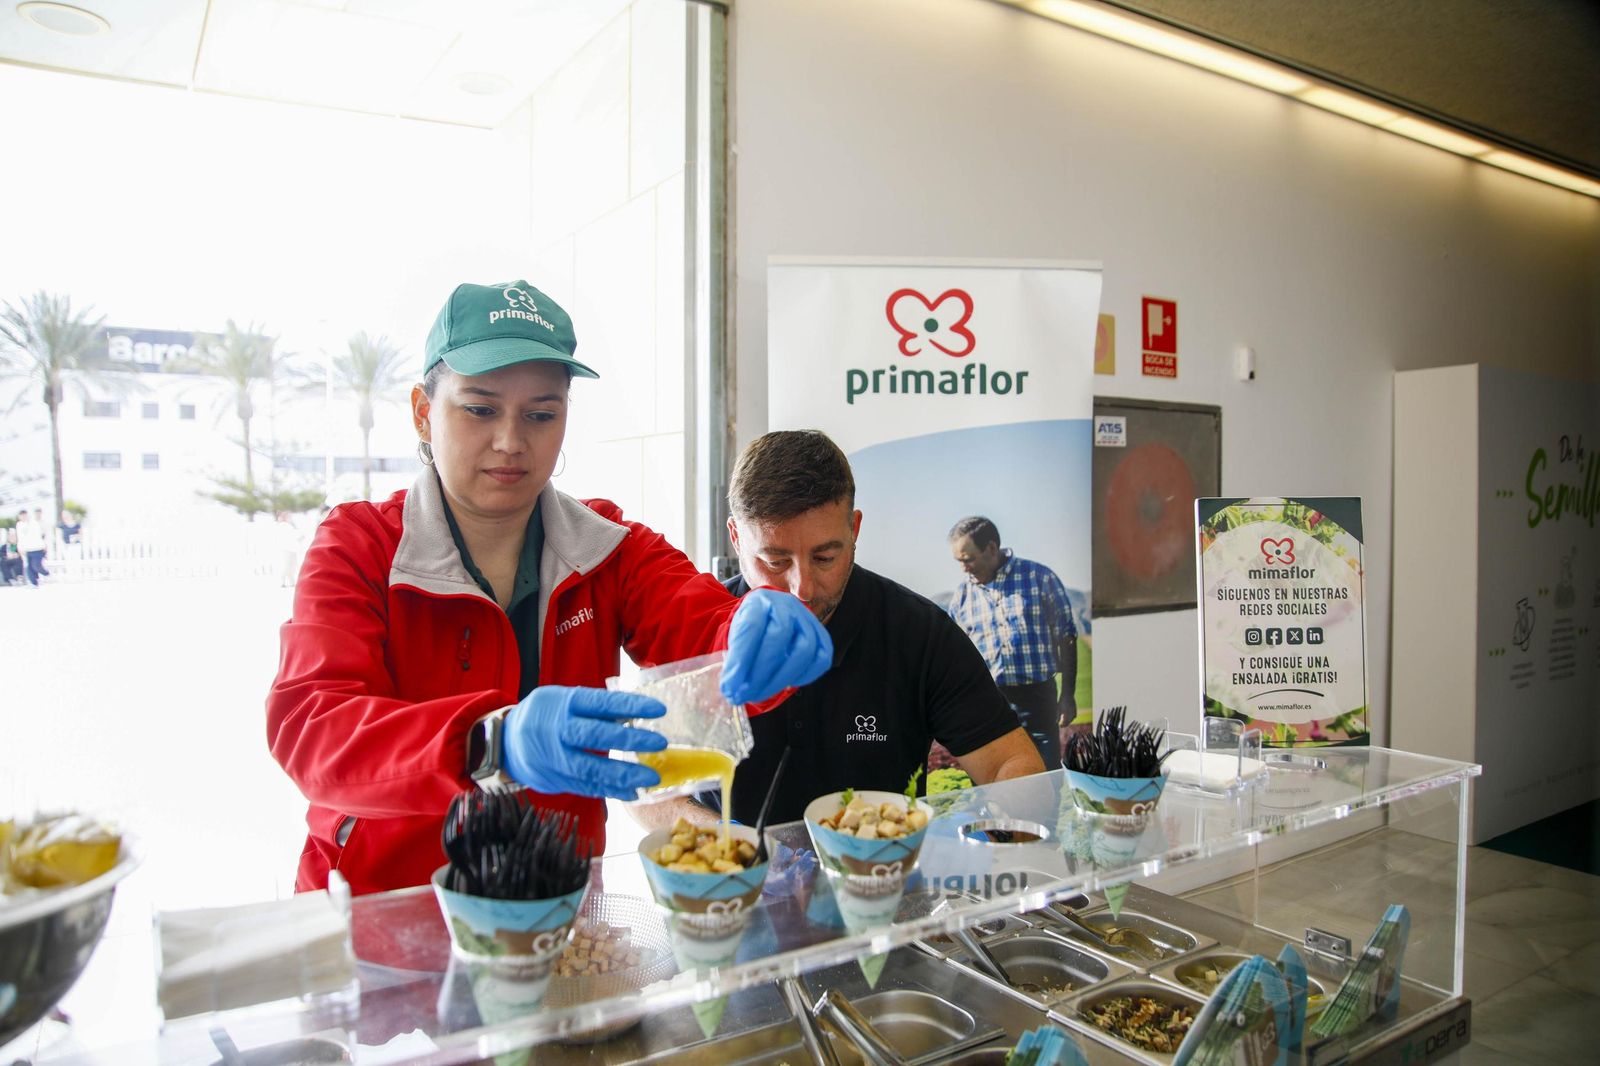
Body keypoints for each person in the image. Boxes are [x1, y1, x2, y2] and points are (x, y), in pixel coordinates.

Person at [267, 280, 832, 895]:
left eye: (541, 414)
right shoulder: (359, 546)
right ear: (424, 412)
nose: (512, 441)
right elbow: (313, 728)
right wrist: (491, 742)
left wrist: (761, 634)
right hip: (386, 911)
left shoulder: (608, 548)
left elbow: (707, 633)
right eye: (480, 409)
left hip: (556, 908)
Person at [637, 431, 1043, 831]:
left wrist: (988, 832)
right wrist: (733, 847)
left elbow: (1012, 763)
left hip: (880, 878)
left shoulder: (919, 634)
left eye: (825, 557)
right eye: (775, 561)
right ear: (736, 538)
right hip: (729, 885)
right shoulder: (694, 639)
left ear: (854, 531)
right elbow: (645, 793)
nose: (803, 588)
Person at [946, 516, 1078, 770]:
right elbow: (953, 657)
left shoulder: (1040, 579)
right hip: (987, 703)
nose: (964, 568)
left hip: (1037, 700)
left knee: (1044, 780)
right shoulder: (962, 595)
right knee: (993, 787)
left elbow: (1067, 637)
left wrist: (1068, 696)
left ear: (992, 549)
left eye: (968, 559)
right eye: (959, 561)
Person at [17, 509, 49, 586]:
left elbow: (41, 535)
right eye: (21, 516)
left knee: (36, 565)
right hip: (27, 549)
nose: (23, 517)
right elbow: (20, 538)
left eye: (25, 515)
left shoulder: (34, 523)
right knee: (29, 567)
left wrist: (45, 546)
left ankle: (46, 573)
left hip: (37, 548)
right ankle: (34, 582)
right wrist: (20, 548)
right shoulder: (19, 525)